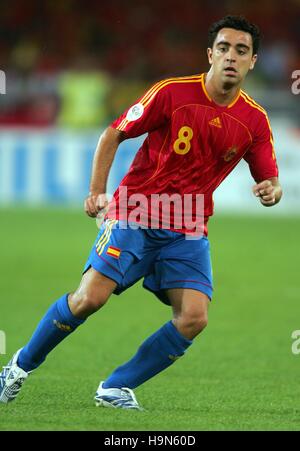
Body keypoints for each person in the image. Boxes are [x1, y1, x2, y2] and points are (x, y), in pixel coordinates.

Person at [0, 15, 282, 410]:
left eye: (241, 50)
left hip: (188, 227)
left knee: (194, 318)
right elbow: (114, 133)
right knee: (89, 300)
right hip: (136, 212)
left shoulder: (254, 120)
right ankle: (18, 366)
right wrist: (97, 192)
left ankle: (115, 386)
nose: (230, 57)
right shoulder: (171, 92)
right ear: (209, 54)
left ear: (253, 61)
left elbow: (270, 177)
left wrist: (272, 190)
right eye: (223, 48)